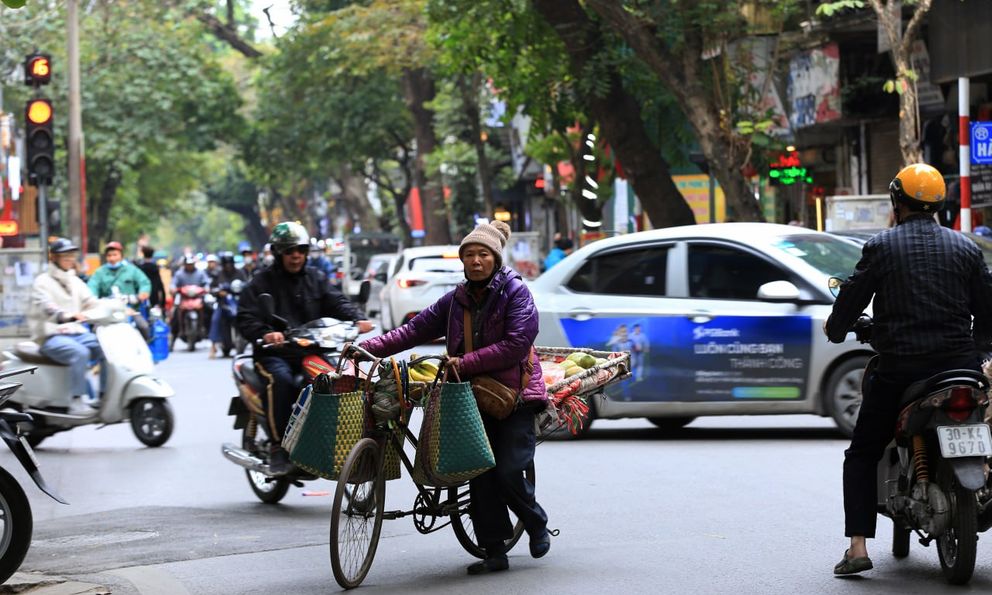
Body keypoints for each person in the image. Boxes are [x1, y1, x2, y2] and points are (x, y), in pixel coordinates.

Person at [824, 163, 992, 575]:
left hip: (900, 369)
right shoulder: (967, 248)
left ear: (896, 202)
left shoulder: (882, 246)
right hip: (961, 370)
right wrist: (977, 352)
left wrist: (839, 327)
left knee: (861, 452)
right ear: (937, 206)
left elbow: (850, 302)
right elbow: (987, 313)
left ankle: (858, 546)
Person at [358, 220, 550, 576]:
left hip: (516, 397)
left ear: (495, 258)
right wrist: (368, 347)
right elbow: (413, 330)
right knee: (479, 473)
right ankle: (495, 551)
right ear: (462, 261)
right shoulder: (456, 299)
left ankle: (536, 523)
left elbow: (515, 344)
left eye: (483, 255)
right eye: (469, 255)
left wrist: (465, 361)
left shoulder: (516, 293)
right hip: (470, 396)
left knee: (508, 471)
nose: (476, 261)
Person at [236, 222, 374, 474]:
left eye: (300, 249)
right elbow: (245, 317)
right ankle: (278, 447)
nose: (296, 255)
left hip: (311, 351)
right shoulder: (260, 283)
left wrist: (357, 318)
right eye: (289, 251)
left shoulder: (316, 279)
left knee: (331, 381)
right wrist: (266, 333)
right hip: (274, 355)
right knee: (282, 381)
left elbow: (337, 301)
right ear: (278, 253)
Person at [28, 238, 102, 416]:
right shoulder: (42, 282)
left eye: (71, 255)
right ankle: (76, 401)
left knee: (106, 347)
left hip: (75, 333)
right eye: (65, 255)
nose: (70, 259)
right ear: (53, 257)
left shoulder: (74, 280)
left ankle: (104, 395)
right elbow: (46, 306)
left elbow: (91, 301)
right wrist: (65, 315)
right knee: (80, 353)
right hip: (51, 336)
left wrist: (108, 309)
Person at [87, 241, 153, 340]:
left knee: (143, 327)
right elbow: (92, 286)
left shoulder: (132, 270)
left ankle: (145, 351)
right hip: (106, 311)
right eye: (109, 255)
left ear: (121, 255)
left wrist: (143, 293)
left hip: (130, 309)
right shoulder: (99, 272)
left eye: (115, 255)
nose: (112, 258)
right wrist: (91, 298)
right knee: (94, 332)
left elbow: (144, 283)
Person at [208, 252, 248, 358]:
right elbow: (212, 288)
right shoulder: (218, 274)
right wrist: (218, 292)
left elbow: (247, 285)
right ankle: (213, 346)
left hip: (238, 303)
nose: (228, 267)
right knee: (215, 319)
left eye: (230, 264)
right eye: (226, 264)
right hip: (223, 303)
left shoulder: (240, 273)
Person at [170, 256, 211, 349]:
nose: (189, 266)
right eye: (188, 264)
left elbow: (206, 282)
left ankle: (210, 336)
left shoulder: (200, 273)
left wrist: (207, 288)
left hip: (198, 298)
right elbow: (173, 284)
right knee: (175, 315)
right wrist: (173, 288)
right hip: (184, 299)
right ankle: (173, 338)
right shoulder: (179, 274)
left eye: (191, 264)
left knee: (210, 311)